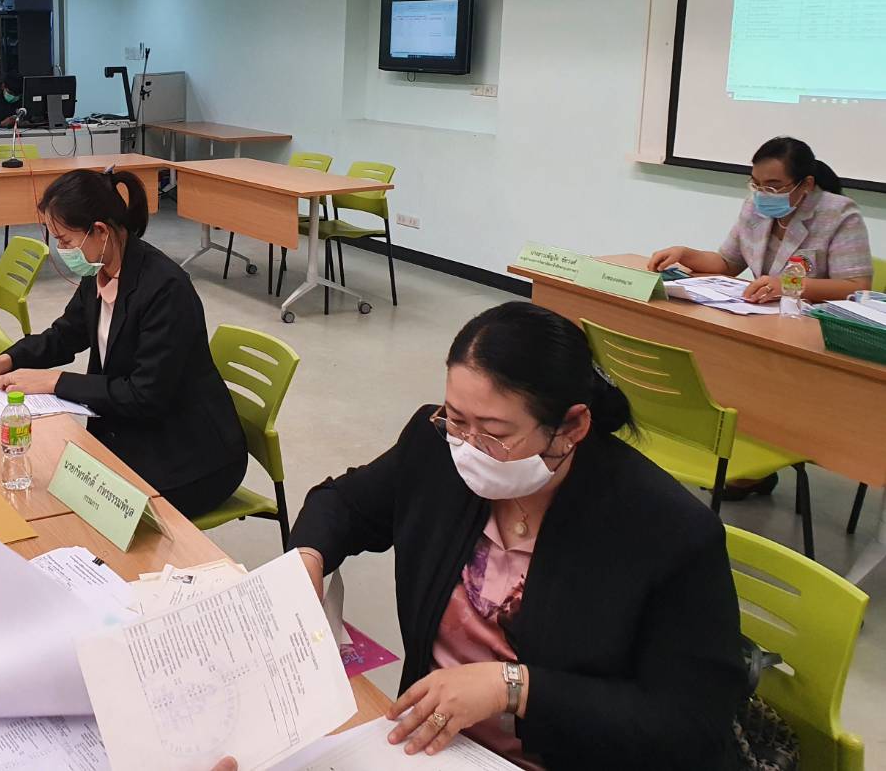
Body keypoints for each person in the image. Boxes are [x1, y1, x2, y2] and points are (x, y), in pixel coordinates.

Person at [287, 301, 745, 771]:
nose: (468, 448)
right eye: (456, 419)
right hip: (431, 749)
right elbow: (344, 504)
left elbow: (689, 723)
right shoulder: (436, 449)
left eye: (494, 433)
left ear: (571, 427)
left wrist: (515, 688)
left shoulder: (666, 531)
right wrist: (308, 558)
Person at [0, 168, 248, 517]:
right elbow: (65, 335)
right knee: (53, 489)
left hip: (190, 456)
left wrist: (54, 381)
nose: (61, 250)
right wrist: (6, 361)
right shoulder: (99, 267)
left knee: (82, 505)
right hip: (132, 429)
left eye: (65, 240)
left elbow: (145, 395)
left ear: (100, 231)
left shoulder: (166, 289)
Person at [648, 135, 872, 304]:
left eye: (773, 186)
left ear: (806, 184)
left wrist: (787, 285)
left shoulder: (838, 213)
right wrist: (684, 254)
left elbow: (856, 287)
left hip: (814, 319)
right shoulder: (754, 206)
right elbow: (727, 263)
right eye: (756, 184)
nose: (763, 193)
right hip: (765, 313)